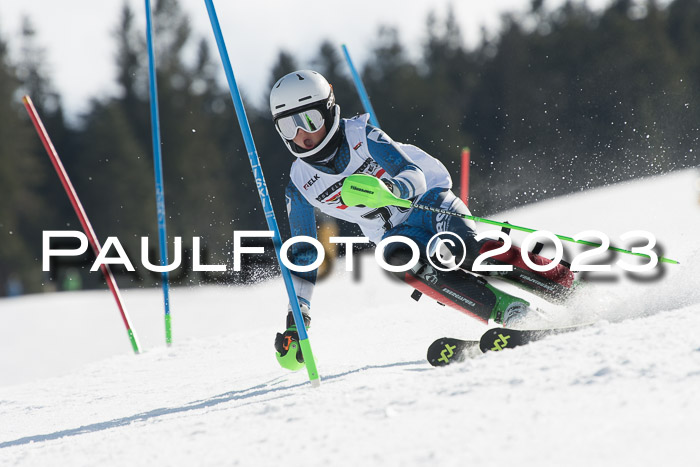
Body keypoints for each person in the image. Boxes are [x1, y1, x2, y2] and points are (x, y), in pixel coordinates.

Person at [270, 70, 573, 370]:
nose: (301, 135)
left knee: (462, 248)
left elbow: (413, 173)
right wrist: (298, 318)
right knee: (399, 259)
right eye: (287, 126)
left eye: (309, 120)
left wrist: (391, 190)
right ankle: (513, 314)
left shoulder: (361, 136)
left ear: (329, 109)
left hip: (428, 203)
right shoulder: (300, 184)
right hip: (394, 233)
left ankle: (564, 283)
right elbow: (304, 253)